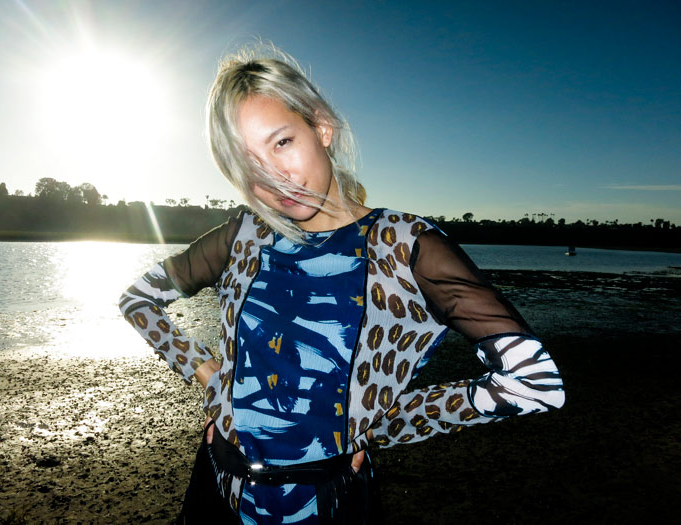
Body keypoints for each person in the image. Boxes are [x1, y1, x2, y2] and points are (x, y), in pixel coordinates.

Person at [119, 45, 565, 524]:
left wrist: (378, 423)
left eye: (282, 142)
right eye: (248, 164)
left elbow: (534, 383)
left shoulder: (403, 245)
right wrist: (205, 373)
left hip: (326, 505)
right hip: (216, 488)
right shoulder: (243, 236)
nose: (274, 177)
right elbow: (139, 300)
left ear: (321, 127)